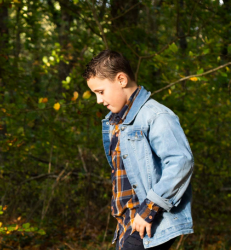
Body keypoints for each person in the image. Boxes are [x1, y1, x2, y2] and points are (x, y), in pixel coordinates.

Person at [83, 50, 194, 250]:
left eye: (100, 92)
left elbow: (181, 162)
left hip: (149, 221)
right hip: (127, 224)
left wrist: (148, 211)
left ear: (121, 80)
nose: (99, 100)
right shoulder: (116, 123)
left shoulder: (156, 115)